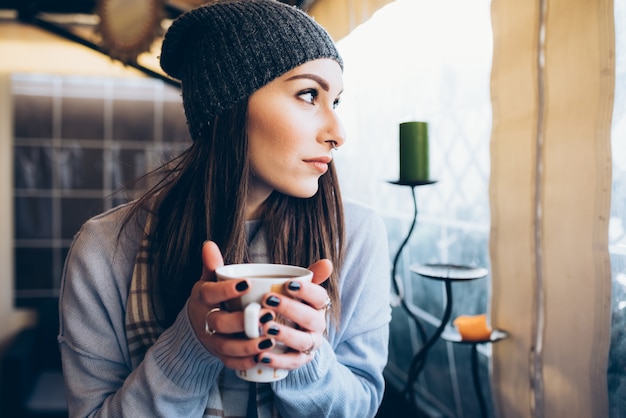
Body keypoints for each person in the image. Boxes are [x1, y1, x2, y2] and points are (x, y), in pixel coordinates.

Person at [58, 1, 391, 417]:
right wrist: (191, 345)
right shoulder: (105, 249)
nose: (338, 133)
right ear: (228, 105)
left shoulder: (355, 235)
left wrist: (306, 358)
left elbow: (362, 406)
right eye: (309, 94)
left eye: (335, 101)